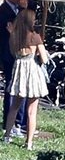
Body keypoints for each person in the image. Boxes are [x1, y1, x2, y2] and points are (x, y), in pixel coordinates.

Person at [2, 9, 48, 150]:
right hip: (32, 72)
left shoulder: (14, 36)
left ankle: (7, 136)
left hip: (19, 71)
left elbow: (12, 53)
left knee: (14, 106)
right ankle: (29, 143)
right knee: (31, 110)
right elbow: (45, 59)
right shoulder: (35, 37)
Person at [0, 0, 28, 135]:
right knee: (12, 87)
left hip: (18, 54)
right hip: (9, 54)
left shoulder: (17, 9)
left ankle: (20, 121)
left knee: (21, 87)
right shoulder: (4, 11)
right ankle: (10, 122)